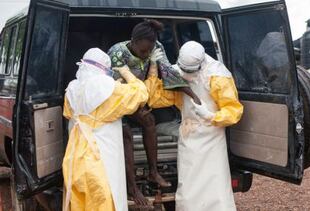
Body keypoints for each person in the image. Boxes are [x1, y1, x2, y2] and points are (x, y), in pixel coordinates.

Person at [107, 19, 201, 206]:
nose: (145, 55)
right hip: (117, 97)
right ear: (132, 41)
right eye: (142, 51)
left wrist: (191, 94)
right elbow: (119, 88)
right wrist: (138, 107)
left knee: (149, 122)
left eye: (148, 52)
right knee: (125, 133)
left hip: (139, 95)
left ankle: (153, 172)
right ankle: (132, 187)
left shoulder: (155, 46)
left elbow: (167, 72)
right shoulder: (117, 52)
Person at [145, 41, 244, 211]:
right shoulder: (177, 73)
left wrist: (211, 116)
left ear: (201, 63)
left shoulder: (217, 75)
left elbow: (234, 110)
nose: (186, 75)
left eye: (190, 72)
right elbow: (155, 99)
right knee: (189, 187)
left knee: (215, 186)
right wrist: (153, 69)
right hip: (189, 136)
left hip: (212, 137)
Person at [62, 48, 148, 210]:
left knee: (80, 203)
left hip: (75, 157)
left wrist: (114, 87)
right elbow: (141, 94)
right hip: (100, 159)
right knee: (104, 201)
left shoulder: (72, 88)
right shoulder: (109, 89)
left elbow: (70, 113)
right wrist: (128, 73)